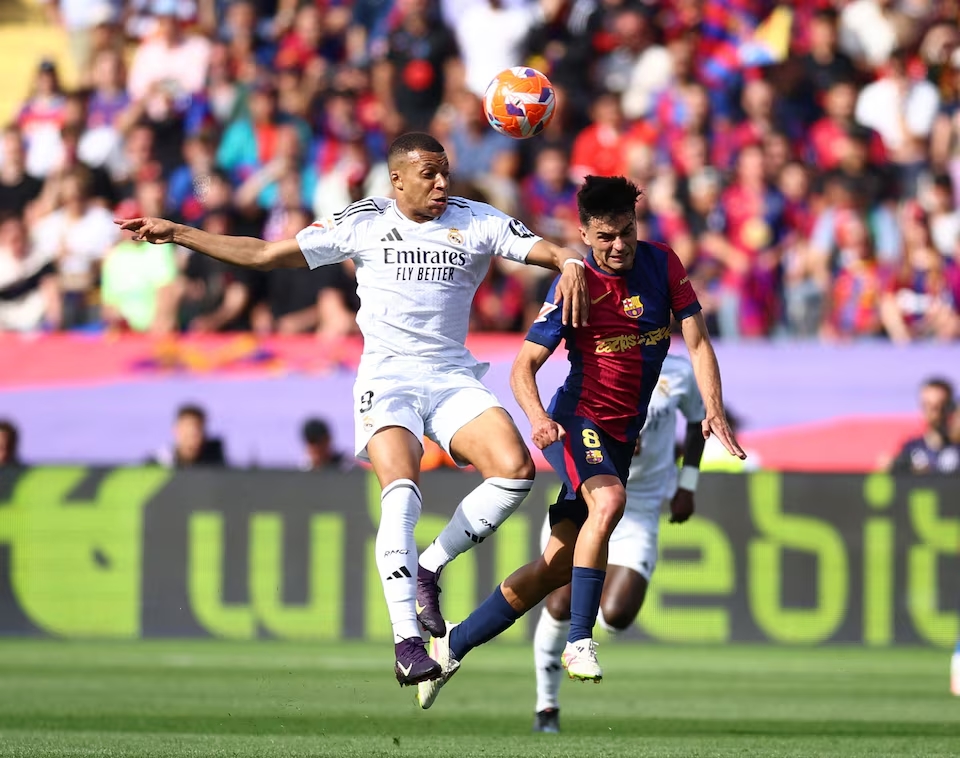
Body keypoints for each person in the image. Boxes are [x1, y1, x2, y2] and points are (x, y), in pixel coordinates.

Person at [117, 131, 589, 687]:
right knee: (402, 491)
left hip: (451, 377)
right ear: (397, 180)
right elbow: (267, 254)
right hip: (387, 379)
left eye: (445, 173)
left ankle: (430, 566)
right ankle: (408, 641)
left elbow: (547, 250)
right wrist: (180, 234)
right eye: (429, 174)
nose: (441, 183)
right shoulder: (363, 220)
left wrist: (570, 261)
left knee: (515, 472)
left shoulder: (476, 218)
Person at [416, 175, 744, 709]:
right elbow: (522, 367)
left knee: (554, 570)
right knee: (610, 501)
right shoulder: (576, 283)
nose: (619, 245)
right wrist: (539, 417)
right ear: (586, 234)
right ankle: (578, 642)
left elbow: (699, 343)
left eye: (628, 232)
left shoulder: (664, 264)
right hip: (576, 420)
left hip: (619, 436)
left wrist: (713, 408)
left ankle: (451, 646)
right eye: (607, 236)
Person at [531, 352, 706, 733]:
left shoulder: (678, 371)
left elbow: (697, 422)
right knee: (559, 603)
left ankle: (586, 618)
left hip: (640, 507)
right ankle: (546, 707)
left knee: (616, 615)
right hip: (589, 496)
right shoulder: (596, 362)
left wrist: (687, 484)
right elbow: (567, 420)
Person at [889, 377, 959, 475]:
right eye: (925, 405)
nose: (930, 412)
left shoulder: (956, 449)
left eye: (937, 406)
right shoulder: (911, 449)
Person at [150, 404, 227, 468]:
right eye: (187, 433)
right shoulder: (159, 463)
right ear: (175, 430)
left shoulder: (216, 465)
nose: (192, 437)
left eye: (197, 431)